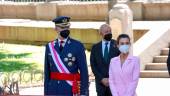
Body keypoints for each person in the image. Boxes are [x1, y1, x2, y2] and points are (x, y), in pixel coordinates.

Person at [44, 16, 89, 96]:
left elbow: (84, 72)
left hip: (70, 90)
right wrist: (46, 92)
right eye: (62, 27)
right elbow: (47, 73)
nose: (65, 29)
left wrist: (83, 93)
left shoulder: (78, 46)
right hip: (53, 89)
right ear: (56, 28)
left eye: (67, 27)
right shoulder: (49, 47)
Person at [90, 24, 120, 96]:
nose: (109, 33)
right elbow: (93, 65)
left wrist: (111, 79)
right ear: (100, 33)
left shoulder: (117, 45)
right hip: (100, 84)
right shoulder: (95, 47)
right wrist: (101, 79)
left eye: (110, 31)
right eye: (106, 32)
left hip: (115, 83)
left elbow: (121, 63)